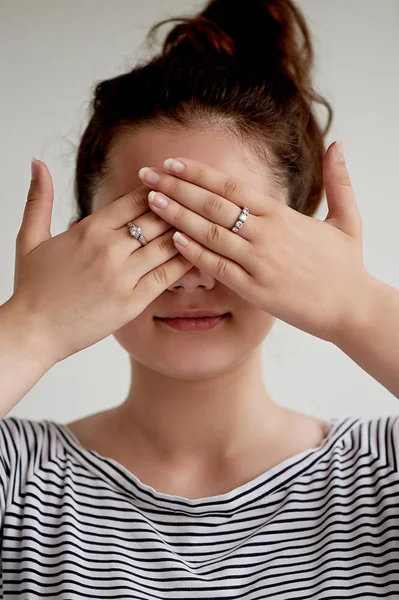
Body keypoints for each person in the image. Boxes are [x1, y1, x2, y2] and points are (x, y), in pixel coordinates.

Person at [1, 0, 399, 596]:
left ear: (301, 242)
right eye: (151, 234)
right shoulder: (18, 480)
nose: (191, 278)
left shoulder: (382, 472)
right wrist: (30, 325)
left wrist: (359, 309)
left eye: (231, 231)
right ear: (83, 241)